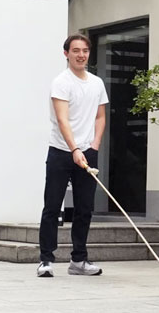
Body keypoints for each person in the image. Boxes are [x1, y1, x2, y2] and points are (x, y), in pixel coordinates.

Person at [37, 34, 108, 279]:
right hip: (61, 151)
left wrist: (93, 146)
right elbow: (62, 119)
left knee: (85, 208)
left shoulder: (97, 83)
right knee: (52, 207)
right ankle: (46, 259)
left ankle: (79, 259)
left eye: (85, 51)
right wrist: (74, 149)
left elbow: (100, 117)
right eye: (76, 50)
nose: (81, 55)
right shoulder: (61, 82)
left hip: (87, 152)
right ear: (66, 53)